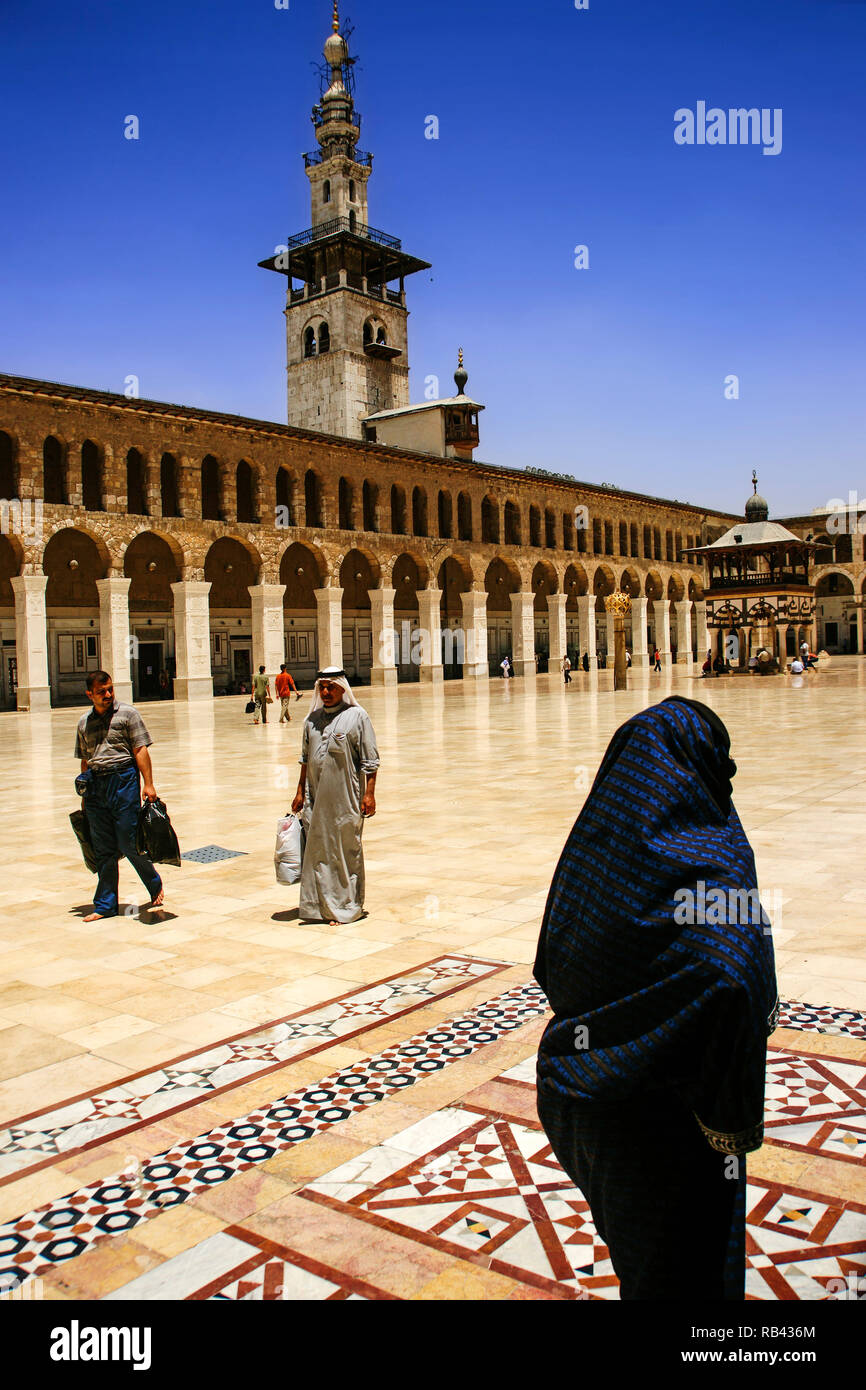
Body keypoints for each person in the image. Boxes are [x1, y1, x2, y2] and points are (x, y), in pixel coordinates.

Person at [533, 697, 777, 1301]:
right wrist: (730, 1122)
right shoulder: (714, 869)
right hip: (674, 1129)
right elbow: (733, 978)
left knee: (643, 1261)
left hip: (584, 1104)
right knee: (689, 1276)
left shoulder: (596, 853)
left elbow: (555, 965)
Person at [291, 668, 379, 925]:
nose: (326, 693)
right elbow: (305, 760)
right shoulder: (311, 720)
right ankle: (318, 907)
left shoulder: (357, 717)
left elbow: (370, 760)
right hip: (315, 798)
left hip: (346, 798)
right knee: (317, 851)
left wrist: (369, 794)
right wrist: (299, 791)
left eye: (331, 687)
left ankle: (345, 906)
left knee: (344, 851)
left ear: (343, 688)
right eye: (322, 688)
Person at [74, 671, 164, 921]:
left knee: (128, 840)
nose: (108, 695)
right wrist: (84, 794)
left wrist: (149, 784)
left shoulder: (128, 714)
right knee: (103, 847)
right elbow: (85, 759)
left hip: (123, 780)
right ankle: (105, 904)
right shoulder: (83, 723)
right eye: (101, 691)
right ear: (89, 694)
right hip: (96, 785)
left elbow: (140, 749)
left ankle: (154, 883)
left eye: (110, 689)